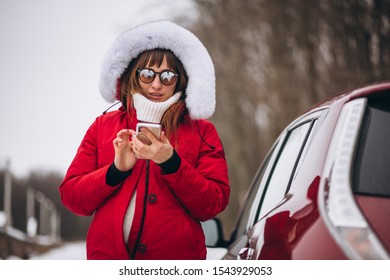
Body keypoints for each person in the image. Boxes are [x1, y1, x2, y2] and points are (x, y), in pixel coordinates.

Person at [59, 20, 230, 260]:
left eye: (168, 76)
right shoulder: (103, 126)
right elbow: (73, 197)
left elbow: (213, 203)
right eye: (147, 74)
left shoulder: (202, 132)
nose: (156, 84)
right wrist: (115, 171)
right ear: (133, 75)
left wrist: (171, 162)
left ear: (181, 79)